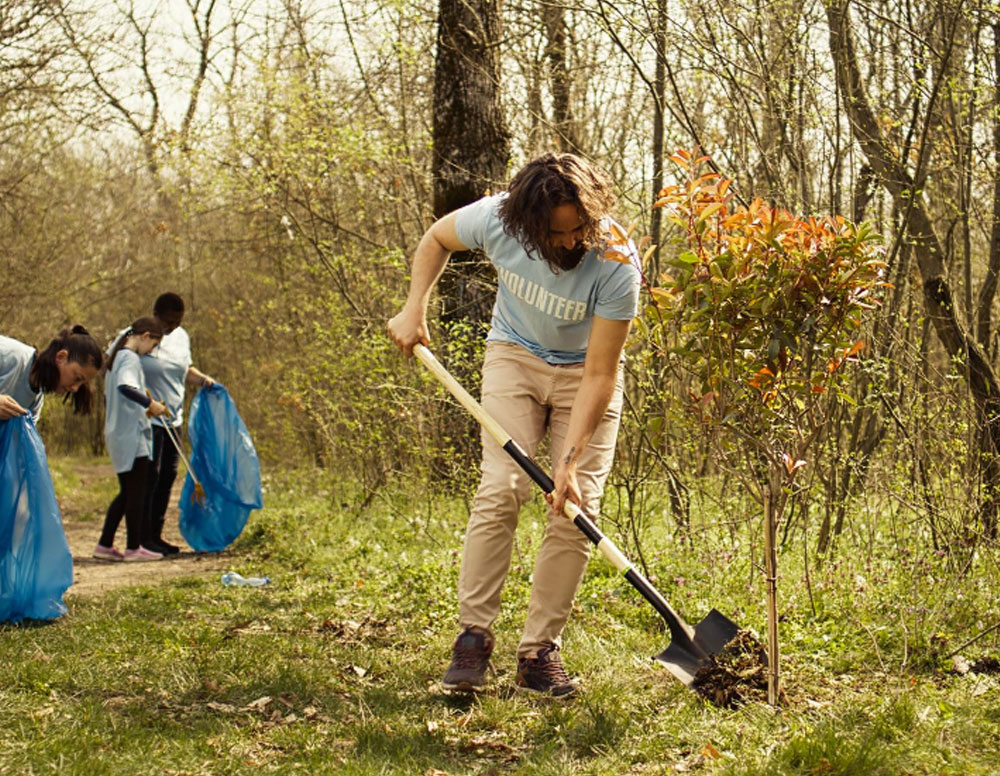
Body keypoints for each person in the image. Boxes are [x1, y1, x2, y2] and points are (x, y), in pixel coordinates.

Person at [387, 153, 640, 697]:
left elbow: (600, 373)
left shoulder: (617, 261)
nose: (574, 243)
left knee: (575, 510)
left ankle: (537, 654)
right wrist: (415, 309)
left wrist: (568, 464)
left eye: (582, 229)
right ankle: (473, 639)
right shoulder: (497, 219)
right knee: (502, 488)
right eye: (560, 233)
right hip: (514, 359)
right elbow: (435, 239)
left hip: (583, 376)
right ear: (527, 226)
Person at [106, 293, 215, 555]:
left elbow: (183, 370)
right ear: (155, 317)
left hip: (172, 417)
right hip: (148, 419)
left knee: (167, 476)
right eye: (168, 322)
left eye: (177, 322)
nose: (172, 327)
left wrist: (204, 381)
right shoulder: (135, 335)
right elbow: (113, 367)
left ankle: (154, 533)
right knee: (148, 479)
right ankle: (140, 538)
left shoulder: (181, 338)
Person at [94, 317, 169, 562]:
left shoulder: (118, 358)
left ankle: (105, 545)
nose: (151, 351)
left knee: (128, 492)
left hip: (121, 431)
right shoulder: (128, 357)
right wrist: (151, 404)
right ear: (146, 336)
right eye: (154, 345)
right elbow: (126, 387)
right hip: (130, 434)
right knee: (136, 491)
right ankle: (133, 547)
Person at [0, 326, 103, 422]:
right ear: (61, 357)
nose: (75, 389)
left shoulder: (34, 405)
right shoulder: (10, 356)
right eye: (77, 378)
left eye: (81, 384)